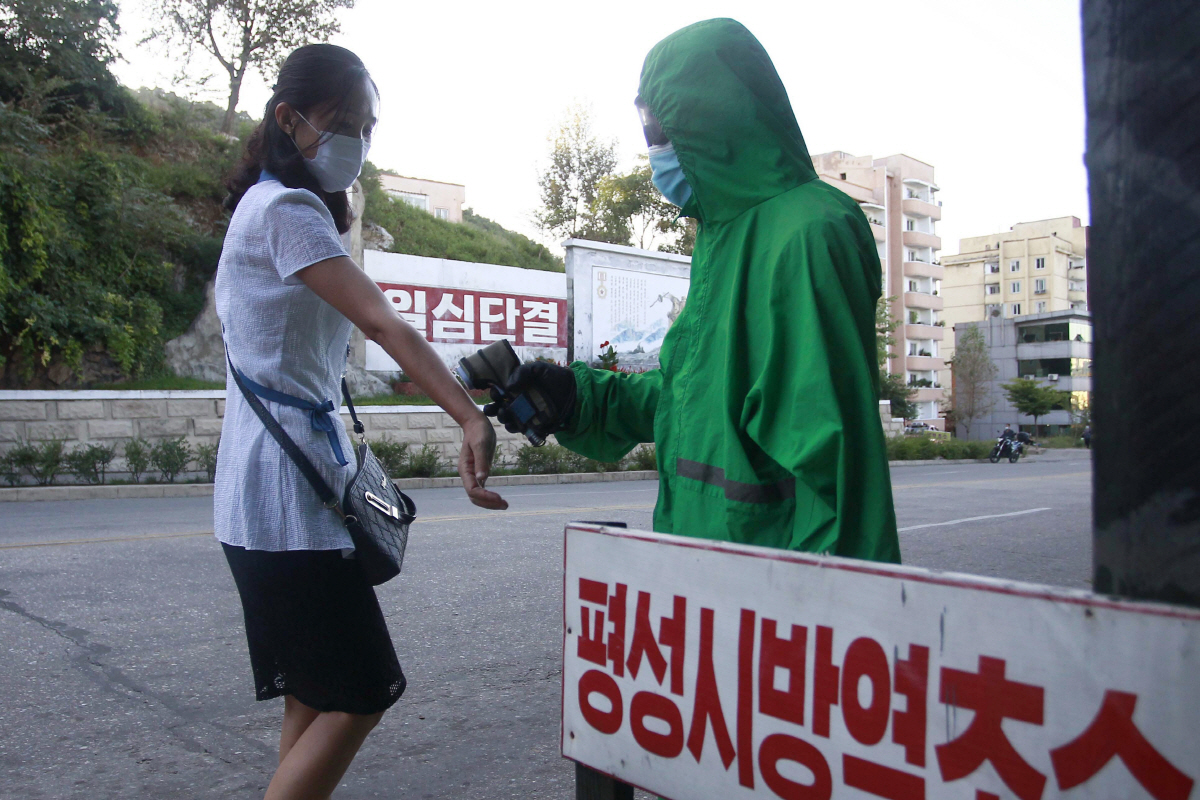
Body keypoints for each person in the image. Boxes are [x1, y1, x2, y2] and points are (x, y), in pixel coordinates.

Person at [489, 19, 898, 561]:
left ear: (714, 119)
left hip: (775, 584)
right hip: (705, 567)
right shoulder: (723, 234)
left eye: (663, 131)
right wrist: (580, 400)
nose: (655, 149)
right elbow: (698, 396)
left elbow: (835, 458)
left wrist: (830, 617)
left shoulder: (808, 231)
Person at [215, 44, 506, 800]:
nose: (359, 144)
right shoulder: (286, 210)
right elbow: (385, 325)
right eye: (344, 124)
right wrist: (469, 416)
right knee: (363, 693)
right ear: (290, 119)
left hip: (264, 497)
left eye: (369, 128)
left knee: (312, 698)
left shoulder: (266, 207)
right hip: (288, 505)